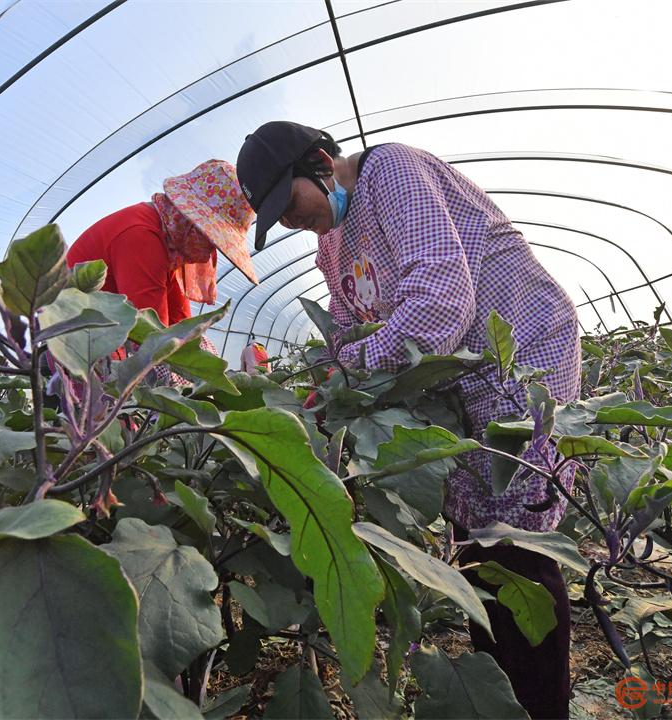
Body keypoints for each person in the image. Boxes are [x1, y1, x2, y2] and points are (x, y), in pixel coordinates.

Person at [237, 121, 581, 719]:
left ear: (321, 161)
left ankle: (539, 705)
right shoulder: (332, 243)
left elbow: (441, 297)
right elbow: (347, 327)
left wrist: (355, 373)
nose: (293, 224)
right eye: (279, 220)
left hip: (519, 357)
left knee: (515, 538)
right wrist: (327, 379)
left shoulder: (393, 170)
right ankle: (504, 697)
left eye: (290, 204)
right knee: (476, 538)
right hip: (452, 380)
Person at [66, 159, 258, 328]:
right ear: (191, 222)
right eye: (211, 239)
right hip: (69, 340)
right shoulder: (141, 237)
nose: (209, 253)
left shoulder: (167, 243)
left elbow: (181, 326)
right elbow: (152, 336)